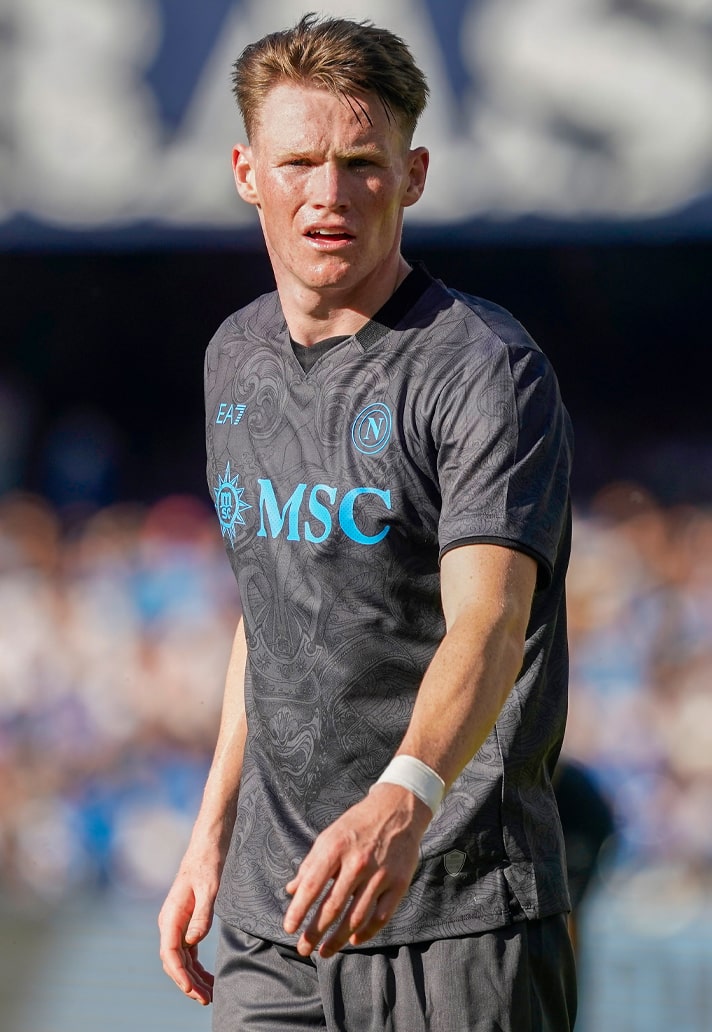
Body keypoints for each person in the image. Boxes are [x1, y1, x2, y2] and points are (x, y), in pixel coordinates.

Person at [158, 14, 577, 1031]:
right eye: (299, 162)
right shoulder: (233, 357)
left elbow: (490, 623)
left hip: (458, 909)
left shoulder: (483, 368)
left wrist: (405, 796)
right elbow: (270, 609)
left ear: (413, 174)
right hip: (276, 921)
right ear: (248, 172)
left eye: (361, 163)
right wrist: (211, 834)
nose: (329, 194)